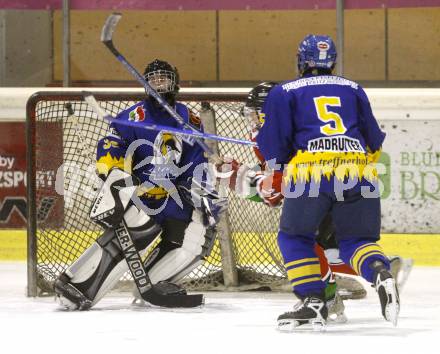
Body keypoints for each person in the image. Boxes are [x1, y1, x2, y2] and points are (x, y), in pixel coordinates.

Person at [255, 35, 400, 330]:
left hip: (311, 173)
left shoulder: (285, 91)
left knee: (294, 238)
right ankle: (380, 272)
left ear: (301, 60)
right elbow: (374, 139)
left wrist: (275, 167)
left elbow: (274, 144)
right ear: (332, 61)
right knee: (357, 242)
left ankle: (313, 303)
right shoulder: (353, 88)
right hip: (358, 170)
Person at [54, 59, 224, 310]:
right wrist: (115, 175)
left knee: (200, 234)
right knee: (135, 232)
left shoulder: (189, 119)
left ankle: (154, 284)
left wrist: (202, 193)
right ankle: (76, 287)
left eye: (163, 79)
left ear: (174, 83)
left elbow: (195, 160)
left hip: (173, 197)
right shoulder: (133, 117)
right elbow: (110, 145)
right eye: (153, 80)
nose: (158, 85)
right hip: (142, 194)